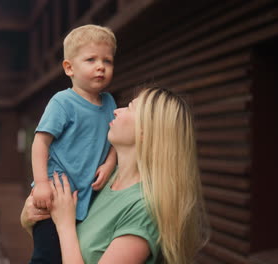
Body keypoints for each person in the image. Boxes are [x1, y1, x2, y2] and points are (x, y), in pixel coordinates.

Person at [22, 87, 210, 263]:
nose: (116, 111)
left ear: (146, 131)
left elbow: (67, 232)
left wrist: (64, 225)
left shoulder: (144, 210)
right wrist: (29, 217)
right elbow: (58, 248)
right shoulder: (104, 178)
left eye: (129, 108)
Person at [30, 24, 118, 263]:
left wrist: (109, 164)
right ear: (69, 67)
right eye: (91, 60)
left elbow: (114, 141)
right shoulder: (63, 102)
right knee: (47, 256)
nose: (101, 66)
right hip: (56, 194)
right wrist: (41, 184)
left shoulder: (110, 103)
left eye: (107, 61)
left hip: (86, 199)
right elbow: (40, 143)